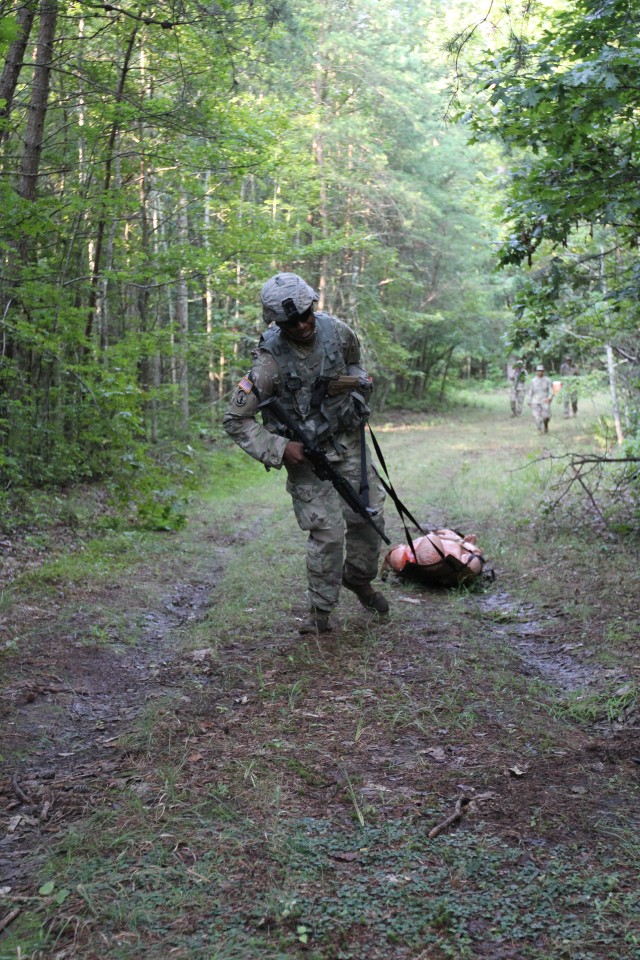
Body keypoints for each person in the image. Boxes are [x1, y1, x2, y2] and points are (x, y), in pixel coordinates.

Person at [223, 272, 388, 635]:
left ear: (314, 305)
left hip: (346, 442)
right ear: (276, 322)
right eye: (290, 321)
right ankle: (321, 611)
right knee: (327, 534)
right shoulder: (269, 363)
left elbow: (355, 364)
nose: (300, 325)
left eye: (305, 314)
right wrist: (281, 448)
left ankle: (358, 580)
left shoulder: (338, 332)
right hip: (307, 458)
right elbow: (236, 420)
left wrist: (358, 392)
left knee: (368, 519)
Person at [527, 363, 554, 433]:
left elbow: (551, 390)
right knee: (537, 417)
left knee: (547, 416)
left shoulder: (548, 380)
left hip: (544, 400)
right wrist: (529, 400)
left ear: (543, 371)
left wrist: (550, 398)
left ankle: (545, 425)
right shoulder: (533, 381)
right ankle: (539, 428)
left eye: (541, 371)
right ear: (536, 372)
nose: (540, 372)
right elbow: (530, 391)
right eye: (538, 371)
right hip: (535, 401)